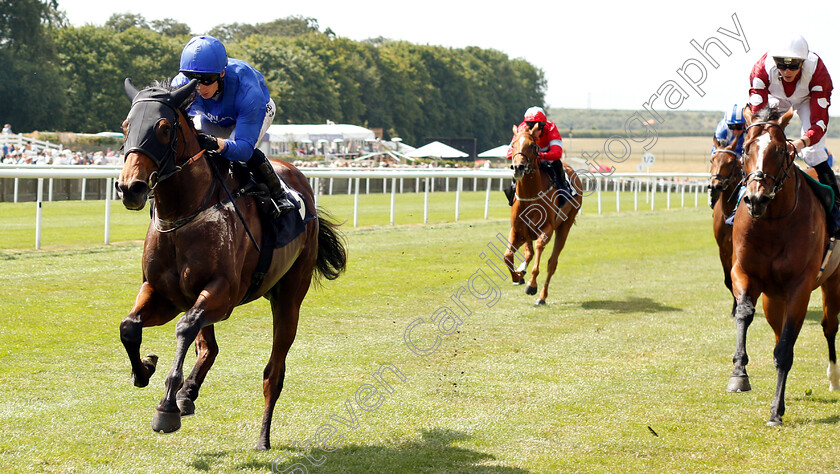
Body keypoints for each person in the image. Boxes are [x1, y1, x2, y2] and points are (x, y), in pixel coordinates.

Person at [172, 35, 294, 218]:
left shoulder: (248, 92)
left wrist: (218, 144)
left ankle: (278, 193)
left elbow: (243, 149)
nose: (199, 87)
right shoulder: (180, 85)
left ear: (221, 73)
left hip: (254, 111)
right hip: (212, 115)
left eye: (207, 79)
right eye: (192, 79)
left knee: (240, 154)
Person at [748, 34, 837, 216]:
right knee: (762, 144)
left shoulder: (819, 72)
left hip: (807, 100)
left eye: (794, 65)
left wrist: (799, 144)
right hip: (776, 99)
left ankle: (836, 210)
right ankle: (740, 202)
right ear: (774, 62)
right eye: (781, 65)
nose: (787, 71)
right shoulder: (760, 70)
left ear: (803, 63)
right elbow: (758, 119)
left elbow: (818, 125)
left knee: (813, 153)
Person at [504, 106, 568, 206]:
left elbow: (557, 154)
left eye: (538, 125)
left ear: (543, 125)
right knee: (517, 167)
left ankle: (563, 190)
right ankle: (512, 193)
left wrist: (540, 155)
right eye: (530, 125)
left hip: (546, 155)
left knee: (557, 164)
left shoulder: (551, 128)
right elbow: (509, 154)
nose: (533, 129)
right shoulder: (521, 129)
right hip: (528, 157)